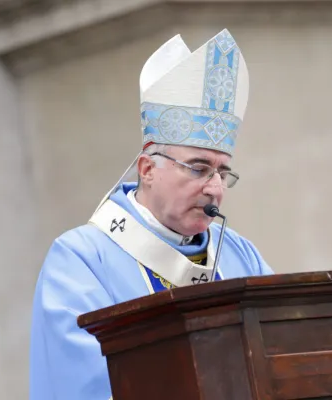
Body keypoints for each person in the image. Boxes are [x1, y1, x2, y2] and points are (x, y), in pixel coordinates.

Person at [29, 28, 274, 400]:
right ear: (147, 169)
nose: (215, 188)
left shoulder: (242, 257)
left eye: (223, 172)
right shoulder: (81, 261)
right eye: (198, 167)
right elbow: (82, 385)